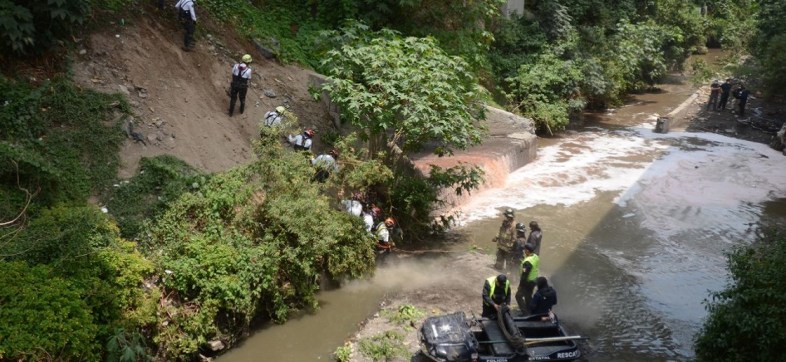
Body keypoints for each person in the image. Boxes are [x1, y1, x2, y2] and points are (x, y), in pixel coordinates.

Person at [515, 243, 539, 315]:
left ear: (528, 251)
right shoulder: (535, 256)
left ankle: (525, 313)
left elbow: (524, 276)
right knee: (528, 296)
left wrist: (520, 285)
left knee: (518, 296)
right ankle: (531, 310)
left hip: (527, 282)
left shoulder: (527, 262)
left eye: (525, 250)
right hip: (534, 280)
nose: (524, 251)